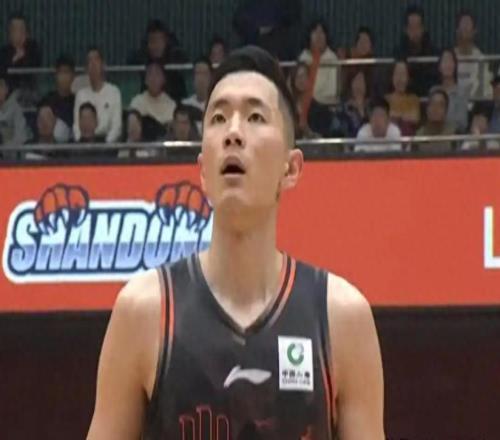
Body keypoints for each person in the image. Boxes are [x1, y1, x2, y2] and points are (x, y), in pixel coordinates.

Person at [87, 46, 384, 439]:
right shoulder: (143, 312)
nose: (233, 132)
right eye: (219, 117)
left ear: (291, 168)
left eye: (255, 116)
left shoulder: (342, 318)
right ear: (202, 171)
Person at [128, 20, 187, 101]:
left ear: (166, 41)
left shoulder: (175, 60)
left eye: (159, 41)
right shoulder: (142, 59)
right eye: (152, 41)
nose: (156, 46)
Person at [73, 48, 122, 143]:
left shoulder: (114, 91)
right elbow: (76, 126)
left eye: (96, 60)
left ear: (103, 65)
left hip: (107, 143)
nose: (93, 64)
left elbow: (117, 126)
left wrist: (105, 145)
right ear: (86, 69)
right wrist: (81, 143)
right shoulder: (80, 94)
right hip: (84, 143)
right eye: (89, 61)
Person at [233, 0, 301, 60]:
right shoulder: (247, 5)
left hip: (280, 47)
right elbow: (238, 20)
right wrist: (257, 30)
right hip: (251, 48)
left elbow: (293, 16)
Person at [394, 5, 437, 97]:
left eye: (418, 27)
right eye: (411, 27)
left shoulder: (433, 53)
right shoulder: (398, 53)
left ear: (423, 28)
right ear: (405, 30)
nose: (415, 32)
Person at [0, 13, 41, 105]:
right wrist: (14, 60)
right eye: (14, 29)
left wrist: (22, 54)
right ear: (9, 33)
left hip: (30, 92)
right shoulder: (3, 52)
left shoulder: (33, 48)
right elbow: (3, 74)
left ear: (26, 32)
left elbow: (34, 68)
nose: (18, 33)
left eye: (21, 29)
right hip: (8, 93)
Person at [299, 20, 339, 105]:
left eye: (321, 32)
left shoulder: (332, 58)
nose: (318, 36)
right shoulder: (303, 56)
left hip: (324, 104)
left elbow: (330, 91)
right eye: (315, 32)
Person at [454, 10, 492, 99]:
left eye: (468, 24)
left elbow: (485, 92)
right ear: (457, 30)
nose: (465, 28)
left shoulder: (482, 60)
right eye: (463, 24)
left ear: (474, 31)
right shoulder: (450, 58)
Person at [289, 61, 332, 138]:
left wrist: (308, 132)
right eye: (297, 76)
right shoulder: (288, 107)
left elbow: (322, 139)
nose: (300, 80)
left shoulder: (321, 110)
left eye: (303, 76)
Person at [432, 49, 469, 133]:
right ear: (439, 67)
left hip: (454, 135)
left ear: (455, 66)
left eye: (450, 61)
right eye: (445, 61)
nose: (447, 64)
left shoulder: (461, 92)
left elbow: (462, 123)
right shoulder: (434, 90)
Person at [130, 61, 176, 127]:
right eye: (150, 74)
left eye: (157, 74)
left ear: (164, 79)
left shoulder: (171, 104)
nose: (153, 78)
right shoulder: (137, 101)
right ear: (145, 80)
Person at [42, 55, 76, 141]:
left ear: (73, 76)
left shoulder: (77, 100)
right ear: (56, 76)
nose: (64, 77)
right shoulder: (47, 101)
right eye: (61, 73)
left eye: (67, 72)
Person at [385, 60, 421, 135]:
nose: (400, 78)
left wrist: (395, 117)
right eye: (397, 74)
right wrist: (403, 117)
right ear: (392, 77)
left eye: (403, 74)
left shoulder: (413, 99)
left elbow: (415, 118)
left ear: (408, 78)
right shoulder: (385, 100)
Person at [331, 69, 369, 138]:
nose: (359, 85)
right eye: (356, 81)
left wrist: (361, 109)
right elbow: (337, 131)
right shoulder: (342, 108)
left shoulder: (371, 106)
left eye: (361, 81)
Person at [182, 57, 212, 131]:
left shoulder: (216, 104)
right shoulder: (185, 105)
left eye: (204, 74)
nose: (200, 78)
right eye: (198, 73)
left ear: (211, 77)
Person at [0, 73, 28, 150]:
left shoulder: (16, 109)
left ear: (6, 89)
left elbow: (20, 138)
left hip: (9, 155)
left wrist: (4, 148)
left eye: (0, 86)